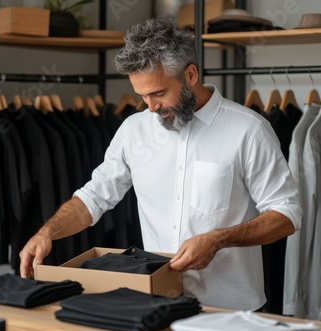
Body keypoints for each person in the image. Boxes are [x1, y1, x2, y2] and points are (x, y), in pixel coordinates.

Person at [19, 18, 302, 311]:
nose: (150, 107)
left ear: (190, 75)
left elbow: (287, 214)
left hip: (228, 309)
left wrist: (219, 239)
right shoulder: (133, 130)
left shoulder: (249, 130)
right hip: (155, 305)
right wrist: (47, 233)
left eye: (158, 93)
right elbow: (94, 197)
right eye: (142, 95)